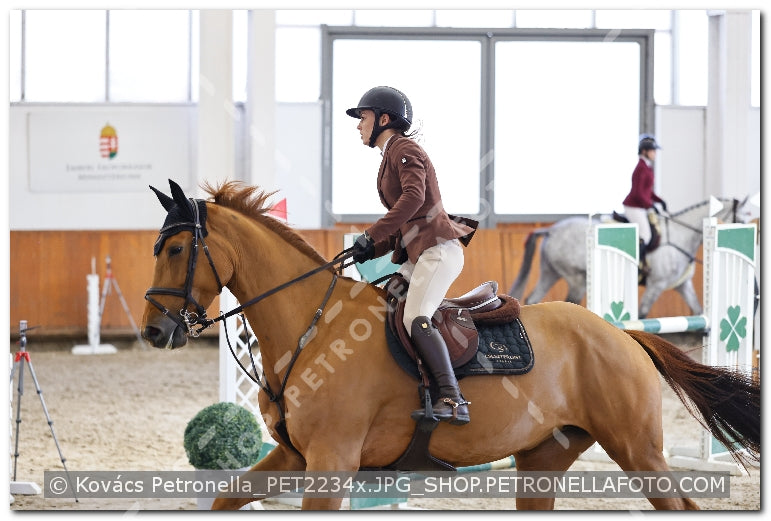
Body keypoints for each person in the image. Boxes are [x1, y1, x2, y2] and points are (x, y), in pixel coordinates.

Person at [346, 86, 477, 426]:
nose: (359, 124)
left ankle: (452, 398)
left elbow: (414, 199)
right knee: (387, 304)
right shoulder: (390, 156)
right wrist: (363, 249)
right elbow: (406, 223)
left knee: (414, 317)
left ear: (383, 119)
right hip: (417, 254)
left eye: (363, 117)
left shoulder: (404, 149)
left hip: (436, 252)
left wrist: (370, 234)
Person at [622, 134, 667, 280]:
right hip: (633, 206)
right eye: (653, 151)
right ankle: (638, 265)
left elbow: (648, 191)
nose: (655, 153)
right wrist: (650, 205)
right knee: (645, 235)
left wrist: (659, 201)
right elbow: (638, 193)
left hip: (640, 206)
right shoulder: (641, 168)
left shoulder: (646, 167)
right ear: (644, 151)